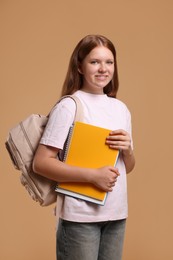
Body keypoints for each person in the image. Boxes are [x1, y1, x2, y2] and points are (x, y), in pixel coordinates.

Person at [33, 34, 135, 260]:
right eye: (94, 62)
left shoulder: (120, 109)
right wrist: (93, 176)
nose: (103, 69)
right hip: (80, 217)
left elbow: (126, 167)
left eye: (109, 62)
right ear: (79, 66)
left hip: (116, 215)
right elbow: (41, 163)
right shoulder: (70, 105)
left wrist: (128, 150)